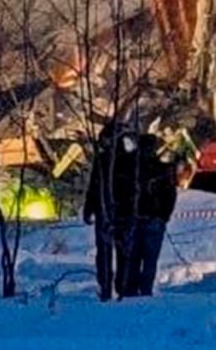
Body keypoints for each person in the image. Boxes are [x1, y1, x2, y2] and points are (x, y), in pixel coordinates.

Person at [83, 123, 140, 301]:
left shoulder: (128, 161)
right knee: (110, 252)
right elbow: (95, 185)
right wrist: (89, 207)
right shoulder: (105, 160)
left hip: (119, 211)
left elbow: (134, 187)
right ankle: (110, 287)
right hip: (110, 211)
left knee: (118, 251)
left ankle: (118, 288)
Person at [124, 132, 177, 298]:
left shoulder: (130, 169)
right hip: (153, 219)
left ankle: (131, 291)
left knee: (132, 258)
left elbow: (121, 193)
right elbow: (170, 195)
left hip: (135, 218)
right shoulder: (162, 170)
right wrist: (163, 215)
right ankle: (145, 291)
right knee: (149, 260)